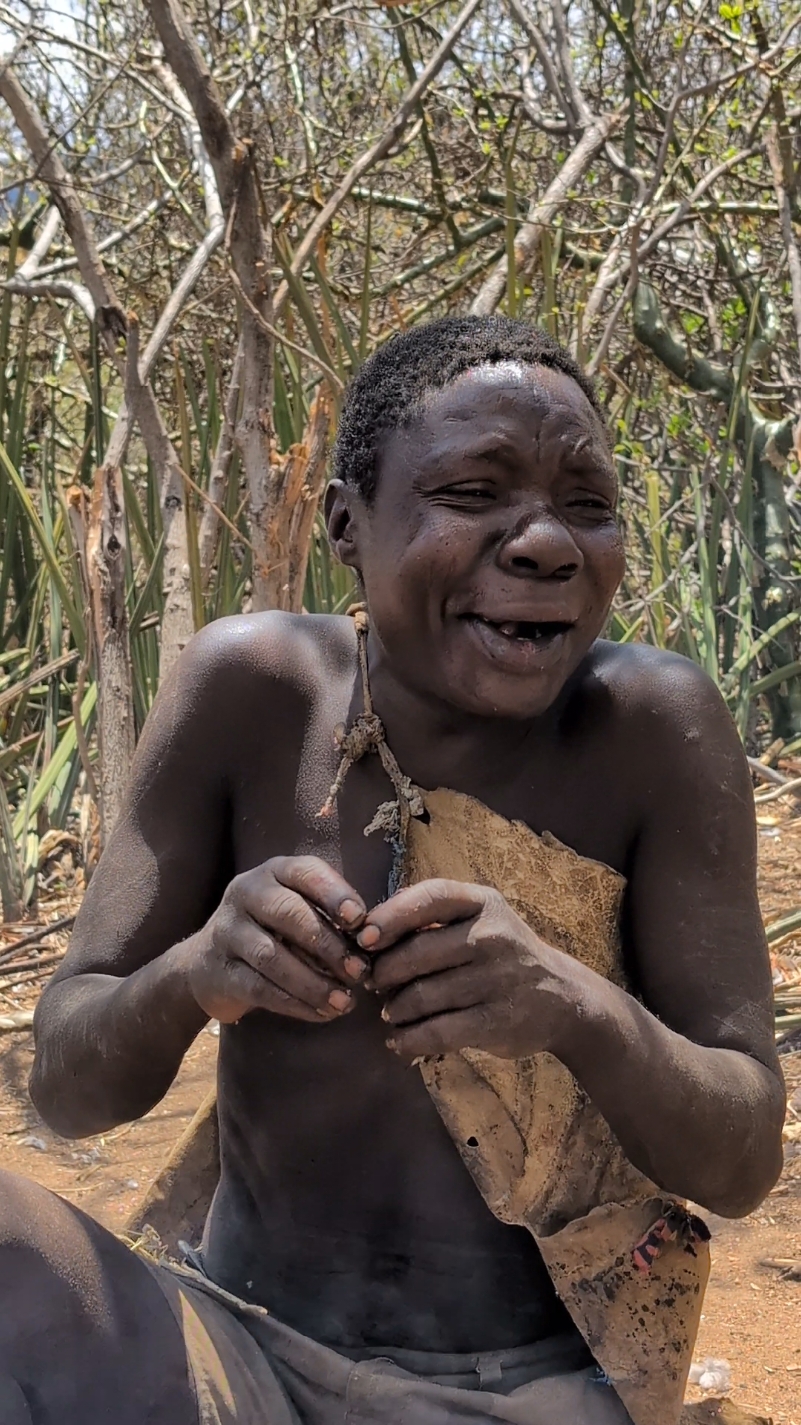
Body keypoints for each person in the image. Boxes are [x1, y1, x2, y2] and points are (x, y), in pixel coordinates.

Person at [0, 315, 784, 1425]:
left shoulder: (652, 732)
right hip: (234, 1345)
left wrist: (574, 1007)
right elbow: (66, 1088)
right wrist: (195, 971)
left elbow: (745, 1150)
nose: (547, 542)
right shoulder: (250, 690)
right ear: (343, 528)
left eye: (589, 506)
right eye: (475, 492)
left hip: (526, 1393)